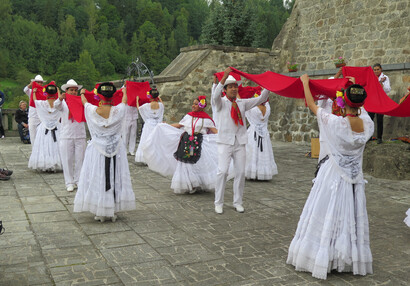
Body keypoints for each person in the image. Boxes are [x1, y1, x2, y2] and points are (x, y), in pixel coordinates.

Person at [287, 74, 374, 280]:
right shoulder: (368, 124)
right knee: (349, 216)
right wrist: (352, 86)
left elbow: (312, 105)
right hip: (355, 177)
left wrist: (306, 83)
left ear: (344, 103)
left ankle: (324, 255)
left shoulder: (336, 123)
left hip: (333, 174)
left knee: (328, 213)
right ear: (360, 104)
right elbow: (363, 111)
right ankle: (347, 256)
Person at [73, 82, 135, 222]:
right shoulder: (119, 110)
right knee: (115, 176)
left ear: (99, 97)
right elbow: (124, 101)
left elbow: (84, 102)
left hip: (97, 150)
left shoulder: (92, 110)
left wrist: (82, 93)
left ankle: (99, 206)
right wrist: (124, 92)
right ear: (113, 97)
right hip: (116, 149)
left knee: (97, 176)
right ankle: (112, 207)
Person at [212, 67, 270, 214]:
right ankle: (218, 202)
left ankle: (238, 202)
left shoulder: (242, 103)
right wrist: (223, 78)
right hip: (225, 142)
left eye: (235, 86)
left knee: (240, 172)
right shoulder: (220, 103)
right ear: (225, 89)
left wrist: (267, 85)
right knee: (222, 172)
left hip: (240, 142)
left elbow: (261, 99)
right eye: (230, 87)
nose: (233, 89)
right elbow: (215, 96)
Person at [55, 79, 86, 192]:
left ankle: (78, 180)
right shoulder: (62, 103)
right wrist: (60, 98)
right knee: (67, 160)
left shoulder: (81, 101)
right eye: (71, 90)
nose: (73, 92)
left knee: (80, 160)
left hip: (80, 134)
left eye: (75, 90)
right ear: (66, 91)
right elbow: (55, 105)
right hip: (66, 135)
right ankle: (69, 182)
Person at [28, 83, 63, 172]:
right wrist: (59, 92)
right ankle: (56, 162)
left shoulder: (42, 104)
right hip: (57, 128)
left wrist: (35, 93)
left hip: (44, 128)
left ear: (46, 94)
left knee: (44, 146)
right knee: (56, 146)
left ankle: (45, 163)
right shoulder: (58, 104)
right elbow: (60, 100)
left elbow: (35, 101)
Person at [245, 98, 278, 180]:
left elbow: (241, 105)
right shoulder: (268, 107)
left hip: (253, 133)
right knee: (263, 152)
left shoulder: (252, 108)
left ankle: (252, 171)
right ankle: (263, 172)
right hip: (264, 134)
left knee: (253, 152)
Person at [135, 88, 164, 164]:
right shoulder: (160, 105)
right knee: (155, 141)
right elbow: (163, 106)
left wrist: (137, 101)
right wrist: (159, 99)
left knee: (146, 140)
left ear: (150, 96)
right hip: (157, 124)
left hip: (149, 124)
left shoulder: (146, 106)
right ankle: (155, 158)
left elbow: (139, 109)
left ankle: (145, 158)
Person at [368, 64, 391, 144]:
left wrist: (382, 86)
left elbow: (388, 89)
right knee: (370, 119)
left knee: (380, 119)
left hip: (381, 101)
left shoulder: (385, 78)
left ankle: (379, 138)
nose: (376, 71)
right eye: (375, 70)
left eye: (378, 69)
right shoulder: (371, 78)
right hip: (372, 101)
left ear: (381, 69)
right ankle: (369, 136)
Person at [23, 75, 46, 146]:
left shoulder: (44, 91)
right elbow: (25, 90)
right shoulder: (31, 91)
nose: (40, 84)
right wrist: (31, 84)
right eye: (38, 82)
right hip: (33, 116)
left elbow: (47, 96)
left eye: (41, 83)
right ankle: (34, 151)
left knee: (42, 136)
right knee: (33, 136)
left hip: (41, 116)